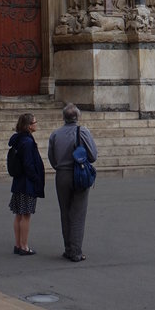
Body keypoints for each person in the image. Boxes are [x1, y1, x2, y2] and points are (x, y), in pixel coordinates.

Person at [47, 104, 97, 261]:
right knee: (78, 213)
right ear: (78, 117)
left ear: (64, 117)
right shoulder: (83, 131)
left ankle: (68, 247)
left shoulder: (55, 134)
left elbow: (52, 157)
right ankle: (75, 251)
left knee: (65, 212)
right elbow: (93, 155)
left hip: (61, 174)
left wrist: (60, 167)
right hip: (79, 174)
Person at [8, 113, 45, 255]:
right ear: (29, 126)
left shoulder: (19, 139)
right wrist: (36, 178)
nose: (36, 124)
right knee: (26, 215)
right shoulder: (28, 142)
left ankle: (18, 244)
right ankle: (24, 246)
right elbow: (28, 164)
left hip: (18, 182)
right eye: (35, 122)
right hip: (26, 183)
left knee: (18, 214)